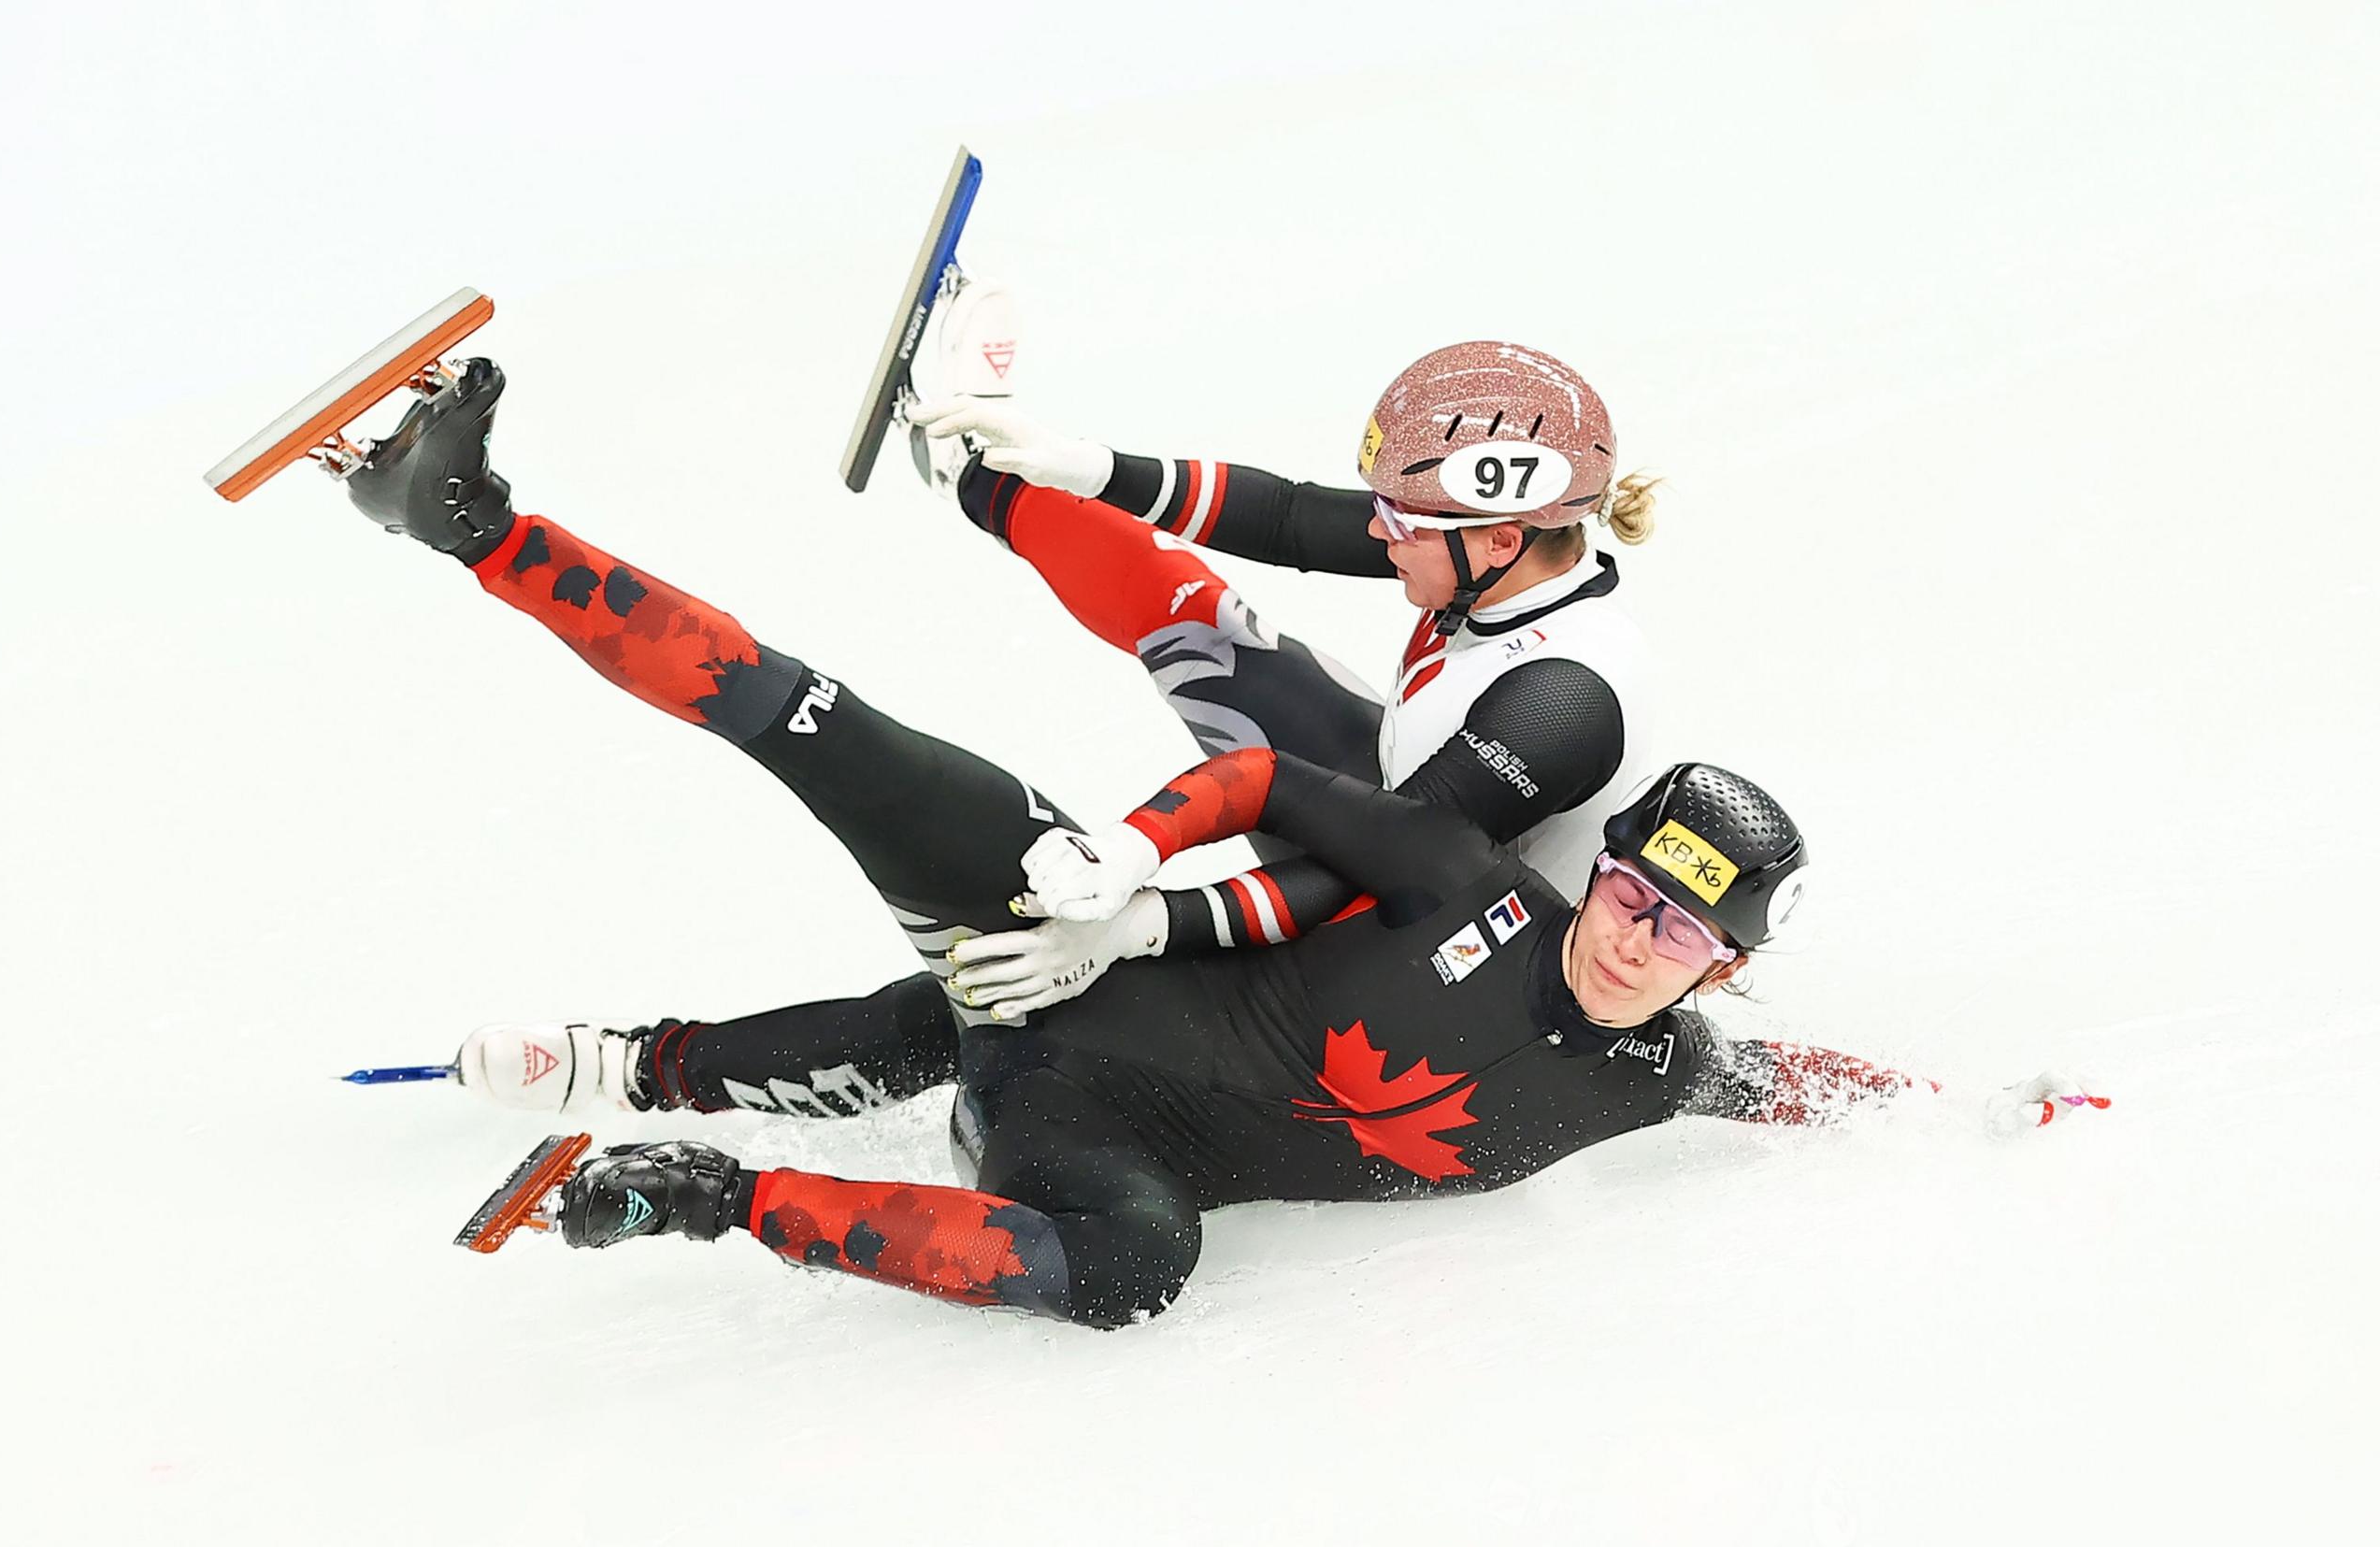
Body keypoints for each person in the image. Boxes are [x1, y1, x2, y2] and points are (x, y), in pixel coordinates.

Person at [328, 353, 2086, 1331]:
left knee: (1093, 1189)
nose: (1635, 933)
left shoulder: (1581, 780)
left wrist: (1980, 1109)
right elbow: (1308, 741)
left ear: (1724, 964)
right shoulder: (1478, 764)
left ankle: (676, 1122)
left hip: (1257, 997)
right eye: (1630, 892)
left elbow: (1782, 1076)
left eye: (1676, 934)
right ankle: (474, 520)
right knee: (872, 725)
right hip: (1294, 925)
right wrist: (1129, 866)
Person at [457, 299, 1685, 1106]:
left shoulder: (1560, 701)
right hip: (1424, 850)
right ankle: (972, 470)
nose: (1379, 533)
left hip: (1449, 972)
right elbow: (1300, 519)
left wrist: (1145, 924)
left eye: (1404, 524)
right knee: (1207, 626)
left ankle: (646, 1072)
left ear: (1510, 533)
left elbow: (1383, 871)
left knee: (1022, 976)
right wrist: (1073, 463)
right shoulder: (1498, 568)